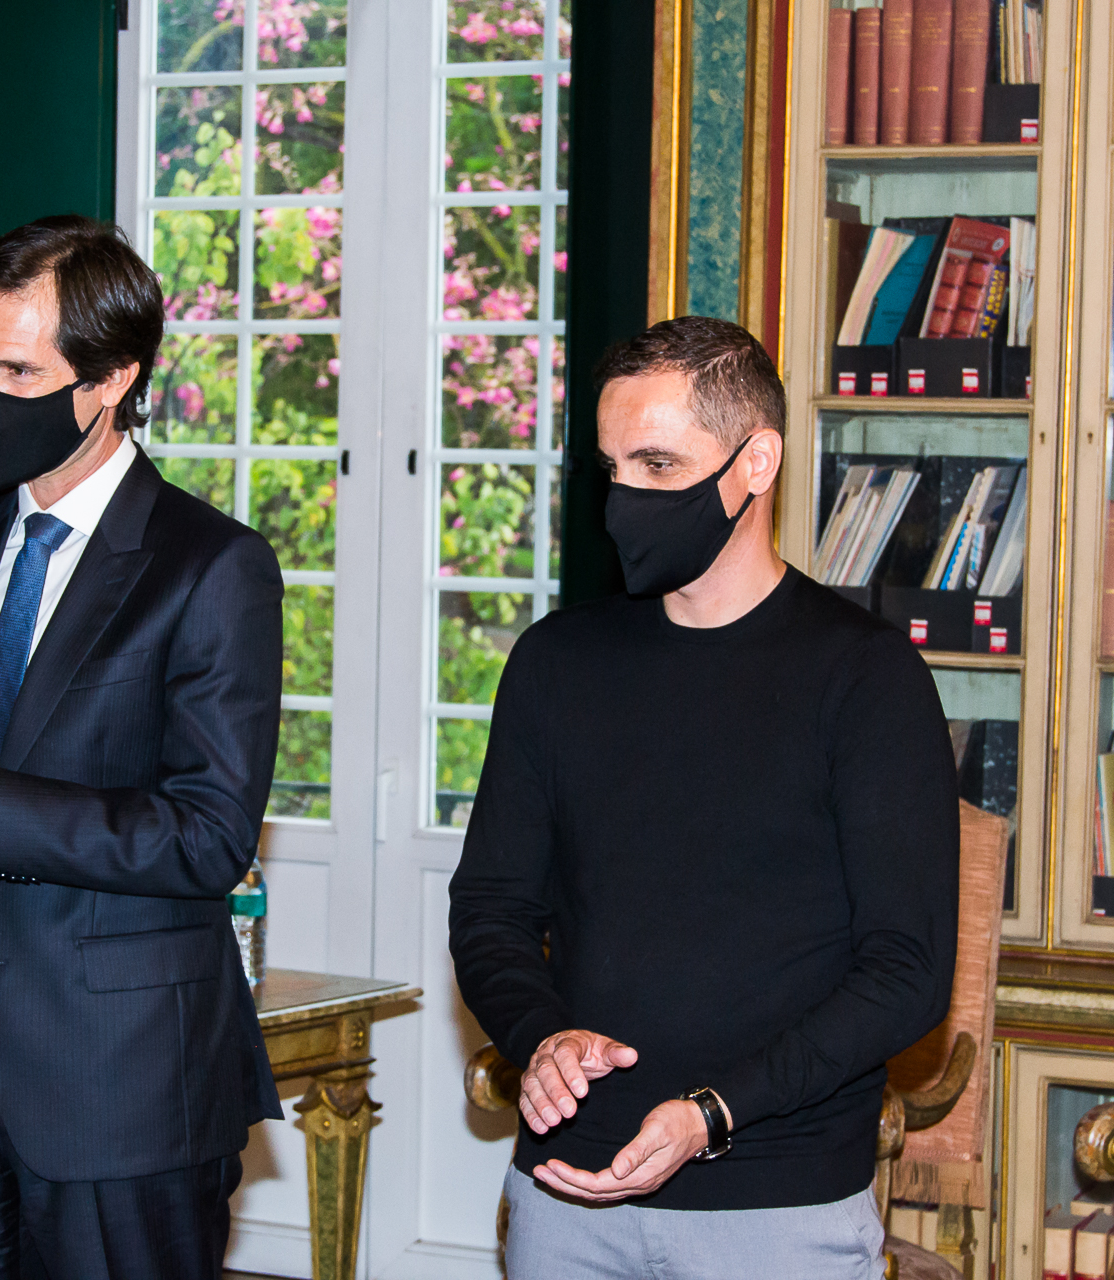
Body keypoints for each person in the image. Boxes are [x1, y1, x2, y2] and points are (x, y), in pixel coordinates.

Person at [0, 215, 286, 1279]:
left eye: (19, 373)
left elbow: (209, 836)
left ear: (112, 379)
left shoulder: (211, 567)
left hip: (124, 1086)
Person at [448, 315, 959, 1278]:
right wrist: (540, 1035)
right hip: (565, 1194)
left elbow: (907, 970)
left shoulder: (866, 678)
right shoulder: (557, 663)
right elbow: (490, 909)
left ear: (755, 463)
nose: (626, 500)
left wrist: (713, 1114)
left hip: (778, 1204)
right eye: (612, 469)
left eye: (658, 465)